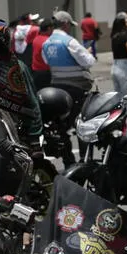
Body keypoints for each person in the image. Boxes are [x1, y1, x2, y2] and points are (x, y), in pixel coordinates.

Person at [42, 10, 95, 165]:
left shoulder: (47, 43)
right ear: (65, 24)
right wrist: (88, 52)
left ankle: (68, 161)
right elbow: (88, 62)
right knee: (82, 125)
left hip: (57, 89)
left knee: (61, 126)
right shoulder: (69, 41)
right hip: (76, 89)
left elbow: (46, 61)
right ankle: (85, 161)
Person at [31, 18, 54, 90]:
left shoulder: (36, 38)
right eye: (52, 29)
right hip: (45, 73)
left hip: (35, 72)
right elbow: (49, 59)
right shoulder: (48, 41)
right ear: (49, 28)